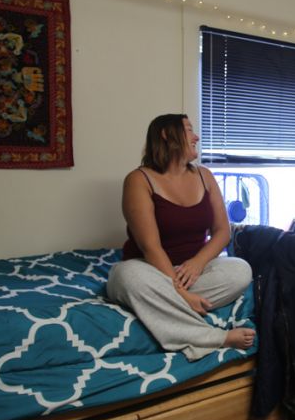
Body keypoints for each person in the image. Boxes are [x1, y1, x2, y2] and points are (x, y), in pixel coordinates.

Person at [106, 113, 255, 360]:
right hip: (151, 271)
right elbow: (150, 246)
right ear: (166, 134)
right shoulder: (138, 180)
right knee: (125, 277)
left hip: (191, 274)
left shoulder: (204, 176)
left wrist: (197, 263)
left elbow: (222, 232)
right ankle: (214, 338)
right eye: (189, 130)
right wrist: (182, 294)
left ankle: (165, 309)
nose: (196, 136)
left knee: (241, 269)